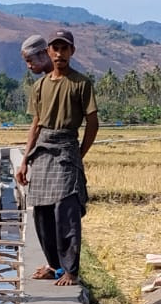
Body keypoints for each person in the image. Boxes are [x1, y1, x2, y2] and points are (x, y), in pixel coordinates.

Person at [17, 29, 99, 286]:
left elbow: (92, 123)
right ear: (49, 52)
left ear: (72, 52)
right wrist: (25, 159)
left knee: (66, 211)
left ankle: (71, 270)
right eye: (56, 49)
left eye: (65, 49)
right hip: (42, 151)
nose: (60, 53)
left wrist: (79, 154)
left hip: (66, 148)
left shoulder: (81, 84)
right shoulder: (39, 86)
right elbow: (36, 124)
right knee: (41, 211)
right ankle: (53, 265)